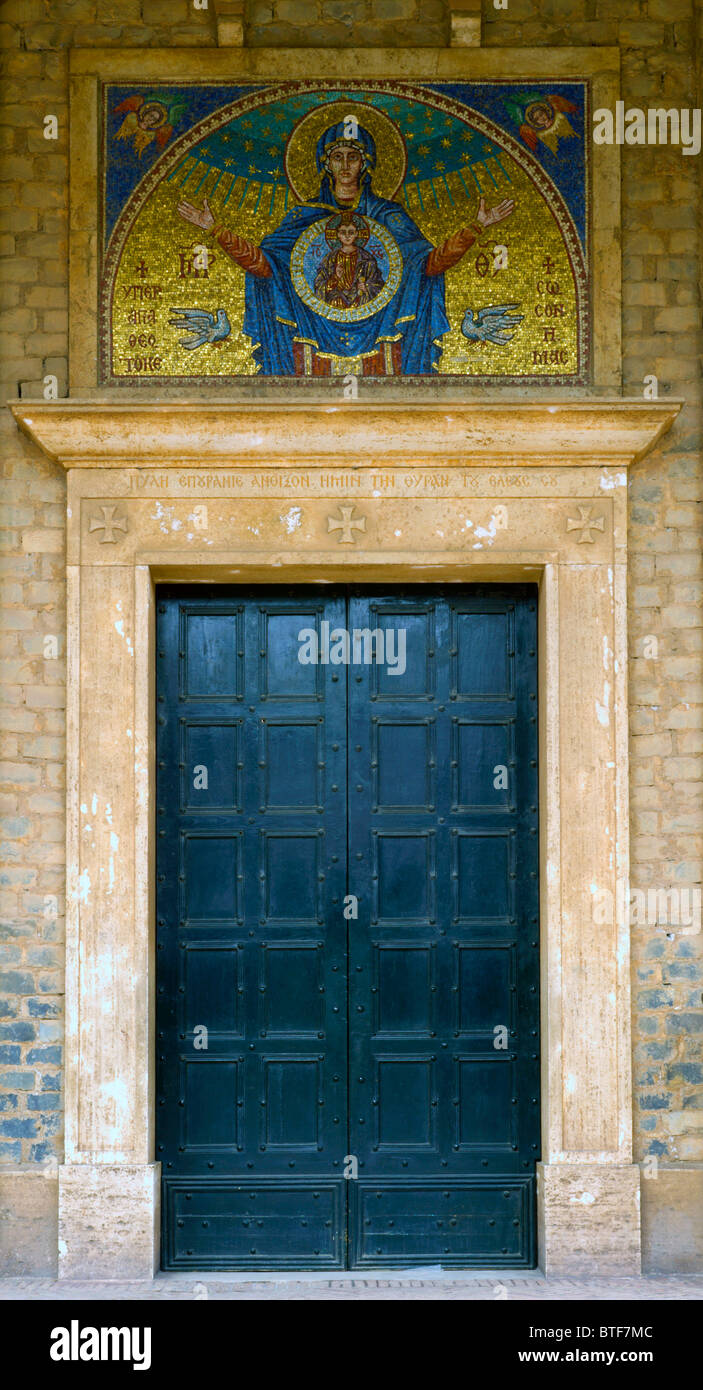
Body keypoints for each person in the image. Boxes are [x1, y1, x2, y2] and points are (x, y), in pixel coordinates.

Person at [177, 119, 514, 375]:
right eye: (337, 157)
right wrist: (215, 229)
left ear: (364, 163)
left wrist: (477, 227)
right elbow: (265, 266)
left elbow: (428, 265)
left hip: (383, 330)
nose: (345, 165)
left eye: (353, 157)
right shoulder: (304, 217)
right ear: (326, 164)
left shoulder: (388, 216)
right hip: (310, 330)